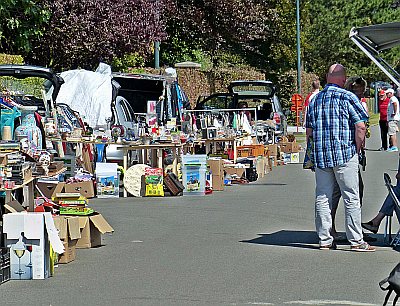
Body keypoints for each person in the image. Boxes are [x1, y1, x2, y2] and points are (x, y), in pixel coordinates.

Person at [305, 63, 374, 251]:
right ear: (344, 80)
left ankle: (325, 239)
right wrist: (358, 148)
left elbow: (309, 131)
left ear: (327, 78)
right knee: (351, 197)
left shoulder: (315, 99)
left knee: (323, 196)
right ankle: (356, 241)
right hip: (344, 153)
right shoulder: (348, 97)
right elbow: (360, 126)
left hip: (321, 155)